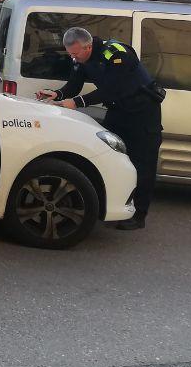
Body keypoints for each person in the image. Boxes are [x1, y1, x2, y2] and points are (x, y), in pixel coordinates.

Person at [37, 27, 162, 230]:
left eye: (76, 54)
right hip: (117, 112)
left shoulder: (117, 54)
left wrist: (76, 102)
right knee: (108, 157)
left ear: (88, 46)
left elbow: (112, 90)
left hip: (142, 115)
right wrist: (57, 95)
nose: (74, 59)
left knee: (142, 165)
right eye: (70, 55)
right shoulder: (81, 58)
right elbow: (73, 86)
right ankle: (112, 207)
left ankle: (139, 215)